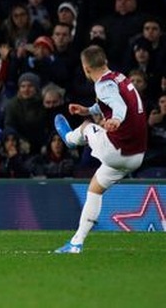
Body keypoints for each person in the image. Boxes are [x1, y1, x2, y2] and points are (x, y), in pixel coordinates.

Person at [54, 45, 147, 253]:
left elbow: (119, 106)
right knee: (95, 190)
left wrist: (115, 119)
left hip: (117, 150)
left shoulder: (103, 86)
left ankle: (69, 139)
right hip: (136, 155)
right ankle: (76, 243)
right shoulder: (119, 78)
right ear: (104, 61)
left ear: (86, 68)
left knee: (87, 126)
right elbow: (114, 101)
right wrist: (88, 109)